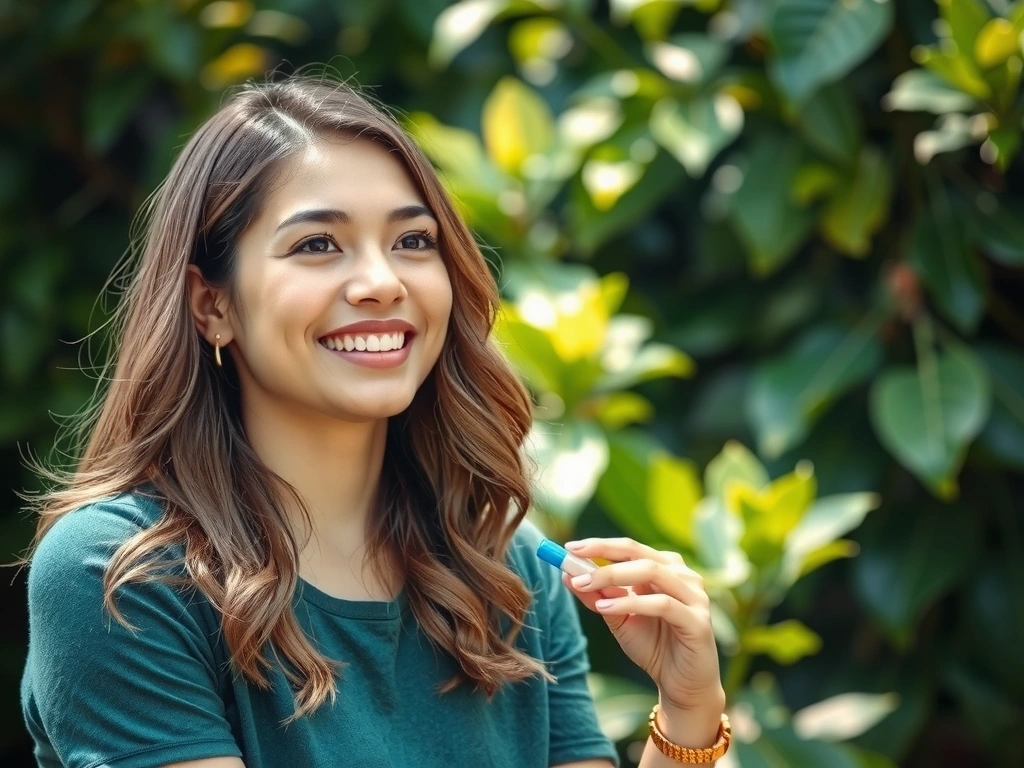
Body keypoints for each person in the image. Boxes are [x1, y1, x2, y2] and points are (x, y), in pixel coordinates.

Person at [19, 75, 727, 768]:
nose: (382, 281)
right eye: (317, 245)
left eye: (413, 242)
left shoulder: (508, 576)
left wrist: (688, 715)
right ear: (213, 306)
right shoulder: (121, 574)